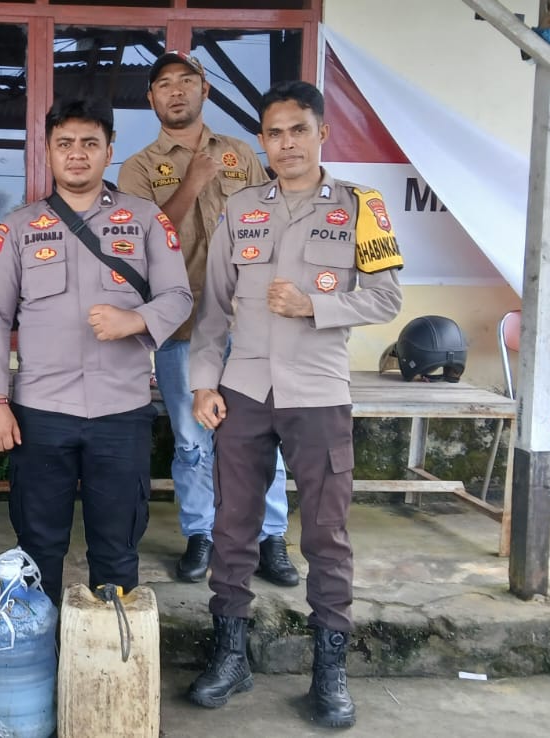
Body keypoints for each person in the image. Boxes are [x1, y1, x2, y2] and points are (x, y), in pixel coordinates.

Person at [185, 80, 404, 728]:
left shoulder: (361, 206)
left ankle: (329, 672)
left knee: (328, 537)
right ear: (262, 141)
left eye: (298, 130)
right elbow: (213, 309)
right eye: (275, 133)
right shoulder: (242, 208)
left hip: (318, 392)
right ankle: (231, 655)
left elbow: (387, 298)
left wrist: (316, 305)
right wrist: (203, 381)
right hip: (246, 391)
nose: (287, 144)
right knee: (232, 530)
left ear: (321, 133)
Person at [0, 98, 191, 604]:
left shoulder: (144, 219)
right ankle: (41, 660)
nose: (77, 154)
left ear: (109, 151)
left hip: (121, 412)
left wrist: (136, 319)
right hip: (41, 414)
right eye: (65, 144)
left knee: (116, 551)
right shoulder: (19, 228)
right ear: (47, 152)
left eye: (90, 143)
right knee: (38, 548)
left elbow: (179, 297)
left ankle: (107, 672)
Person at [118, 51, 298, 587]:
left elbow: (271, 223)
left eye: (186, 82)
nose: (176, 92)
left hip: (251, 328)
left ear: (205, 91)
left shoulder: (243, 154)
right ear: (151, 100)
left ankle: (271, 538)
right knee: (193, 440)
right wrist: (193, 181)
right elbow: (138, 241)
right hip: (181, 327)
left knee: (262, 435)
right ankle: (202, 533)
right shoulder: (140, 167)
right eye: (164, 85)